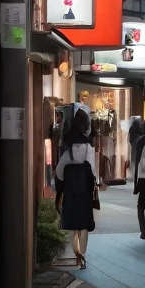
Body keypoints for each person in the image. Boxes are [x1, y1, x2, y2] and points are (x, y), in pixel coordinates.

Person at [55, 107, 97, 269]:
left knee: (73, 226)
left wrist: (66, 181)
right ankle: (83, 254)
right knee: (84, 225)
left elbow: (59, 171)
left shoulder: (69, 149)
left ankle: (76, 254)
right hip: (85, 191)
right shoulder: (88, 149)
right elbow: (92, 171)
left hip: (71, 192)